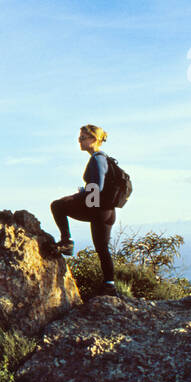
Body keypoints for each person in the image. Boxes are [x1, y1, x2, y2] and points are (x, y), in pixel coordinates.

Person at [50, 124, 119, 297]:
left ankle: (67, 242)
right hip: (108, 212)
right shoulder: (104, 158)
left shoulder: (97, 159)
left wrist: (84, 199)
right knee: (102, 249)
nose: (79, 141)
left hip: (97, 209)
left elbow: (97, 187)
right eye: (79, 137)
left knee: (57, 205)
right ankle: (109, 285)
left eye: (83, 137)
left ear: (94, 139)